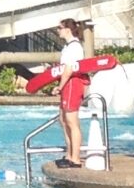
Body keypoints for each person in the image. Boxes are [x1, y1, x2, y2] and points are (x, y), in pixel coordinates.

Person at [29, 19, 117, 166]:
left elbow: (69, 69)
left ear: (67, 30)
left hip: (72, 83)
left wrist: (60, 86)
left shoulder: (74, 47)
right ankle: (69, 154)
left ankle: (75, 158)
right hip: (68, 83)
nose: (58, 31)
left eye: (60, 28)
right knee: (63, 120)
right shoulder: (68, 47)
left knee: (72, 121)